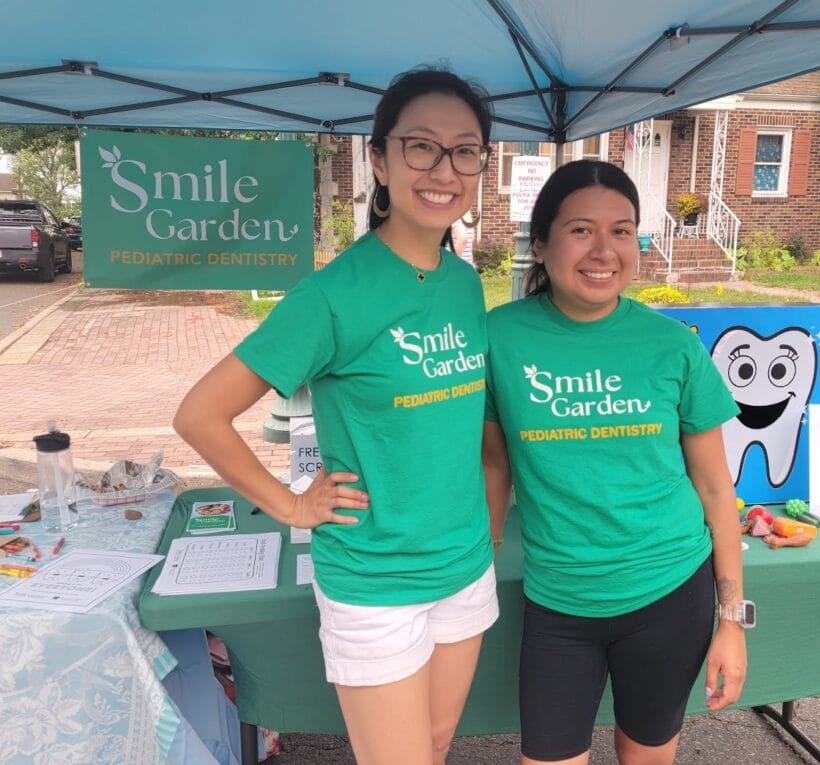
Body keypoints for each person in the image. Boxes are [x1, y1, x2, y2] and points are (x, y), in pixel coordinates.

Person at [174, 68, 499, 765]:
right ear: (379, 159)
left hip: (464, 566)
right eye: (421, 147)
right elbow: (201, 414)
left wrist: (488, 523)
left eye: (465, 150)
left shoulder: (466, 285)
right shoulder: (331, 296)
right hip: (375, 581)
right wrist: (289, 504)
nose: (444, 169)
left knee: (438, 743)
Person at [482, 160, 748, 765]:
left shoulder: (673, 344)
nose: (604, 250)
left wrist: (732, 622)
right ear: (542, 244)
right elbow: (494, 469)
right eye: (581, 230)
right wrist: (479, 557)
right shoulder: (499, 337)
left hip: (671, 592)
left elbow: (713, 487)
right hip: (559, 602)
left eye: (622, 230)